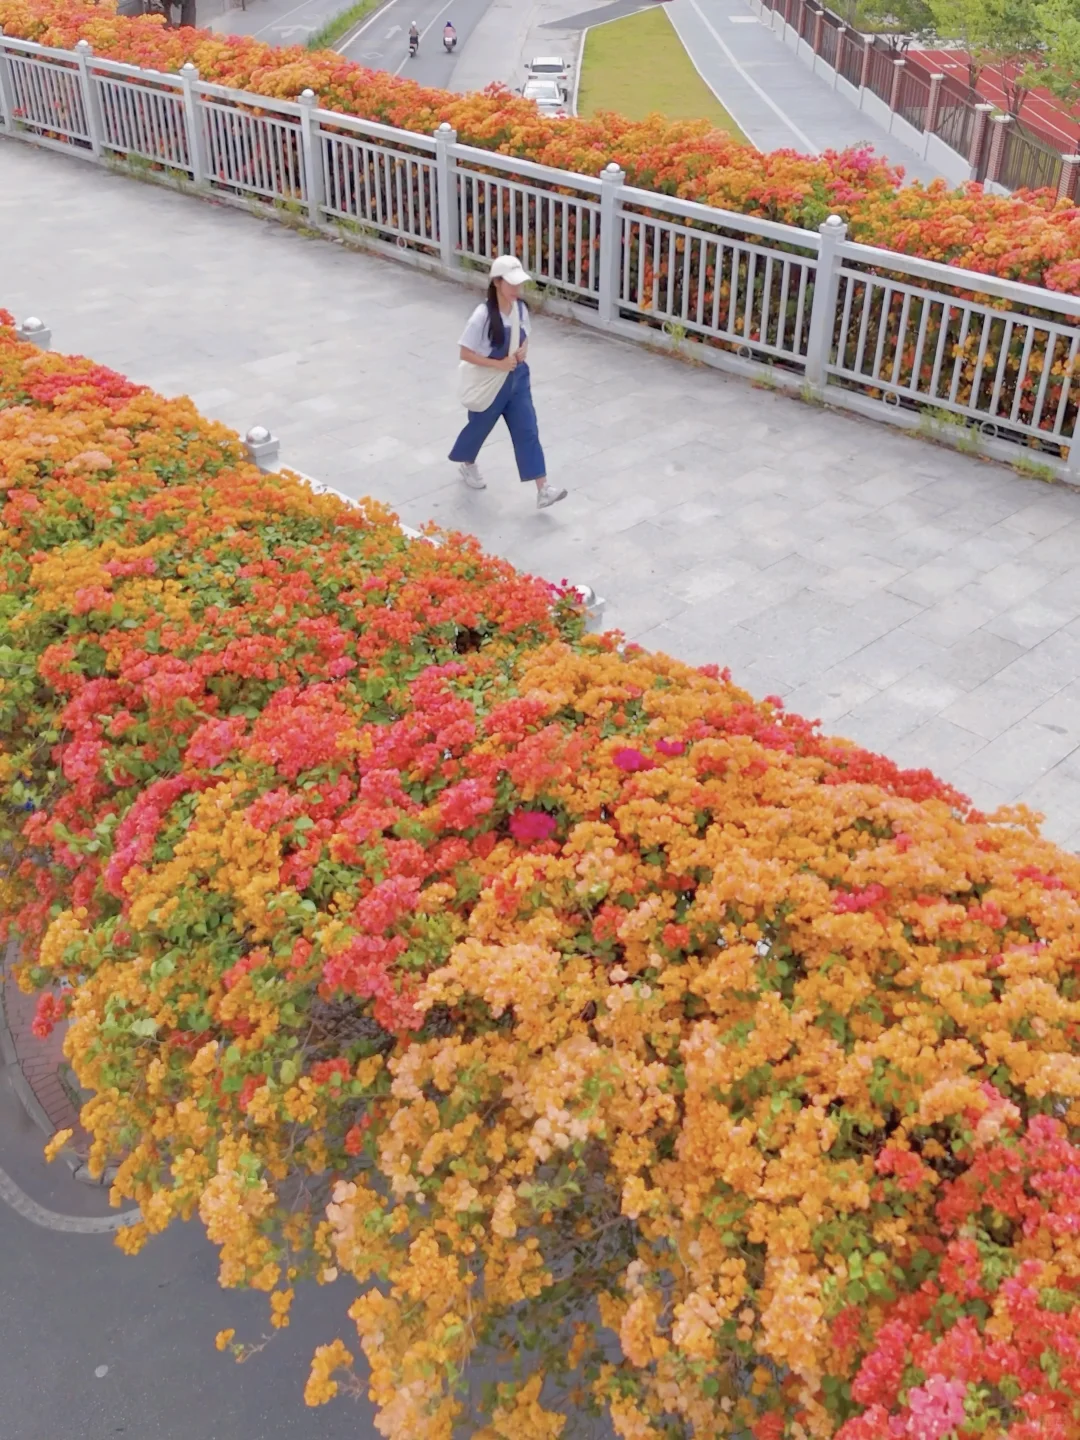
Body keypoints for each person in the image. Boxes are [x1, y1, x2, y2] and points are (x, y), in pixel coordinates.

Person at [450, 255, 567, 510]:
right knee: (478, 428)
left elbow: (525, 335)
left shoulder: (521, 309)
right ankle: (467, 463)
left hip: (518, 380)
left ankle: (543, 488)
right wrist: (498, 364)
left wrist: (523, 350)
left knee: (528, 430)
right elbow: (465, 352)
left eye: (519, 284)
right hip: (491, 383)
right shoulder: (482, 316)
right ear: (497, 283)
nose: (517, 289)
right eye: (511, 284)